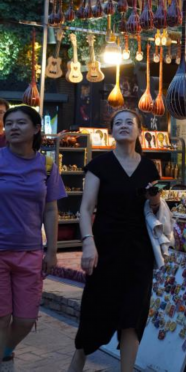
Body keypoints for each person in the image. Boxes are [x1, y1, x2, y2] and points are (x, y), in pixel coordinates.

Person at [68, 109, 162, 372]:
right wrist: (88, 242)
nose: (123, 126)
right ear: (111, 131)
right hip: (105, 248)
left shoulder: (148, 167)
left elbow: (154, 209)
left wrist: (155, 200)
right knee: (96, 309)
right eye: (118, 123)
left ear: (139, 130)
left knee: (133, 315)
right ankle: (77, 361)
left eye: (129, 122)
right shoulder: (99, 165)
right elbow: (86, 208)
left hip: (139, 251)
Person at [0, 105, 65, 372]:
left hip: (31, 252)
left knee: (26, 320)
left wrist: (52, 250)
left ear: (37, 128)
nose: (13, 127)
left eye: (21, 123)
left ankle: (5, 352)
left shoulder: (46, 166)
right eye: (9, 123)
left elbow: (51, 210)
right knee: (1, 318)